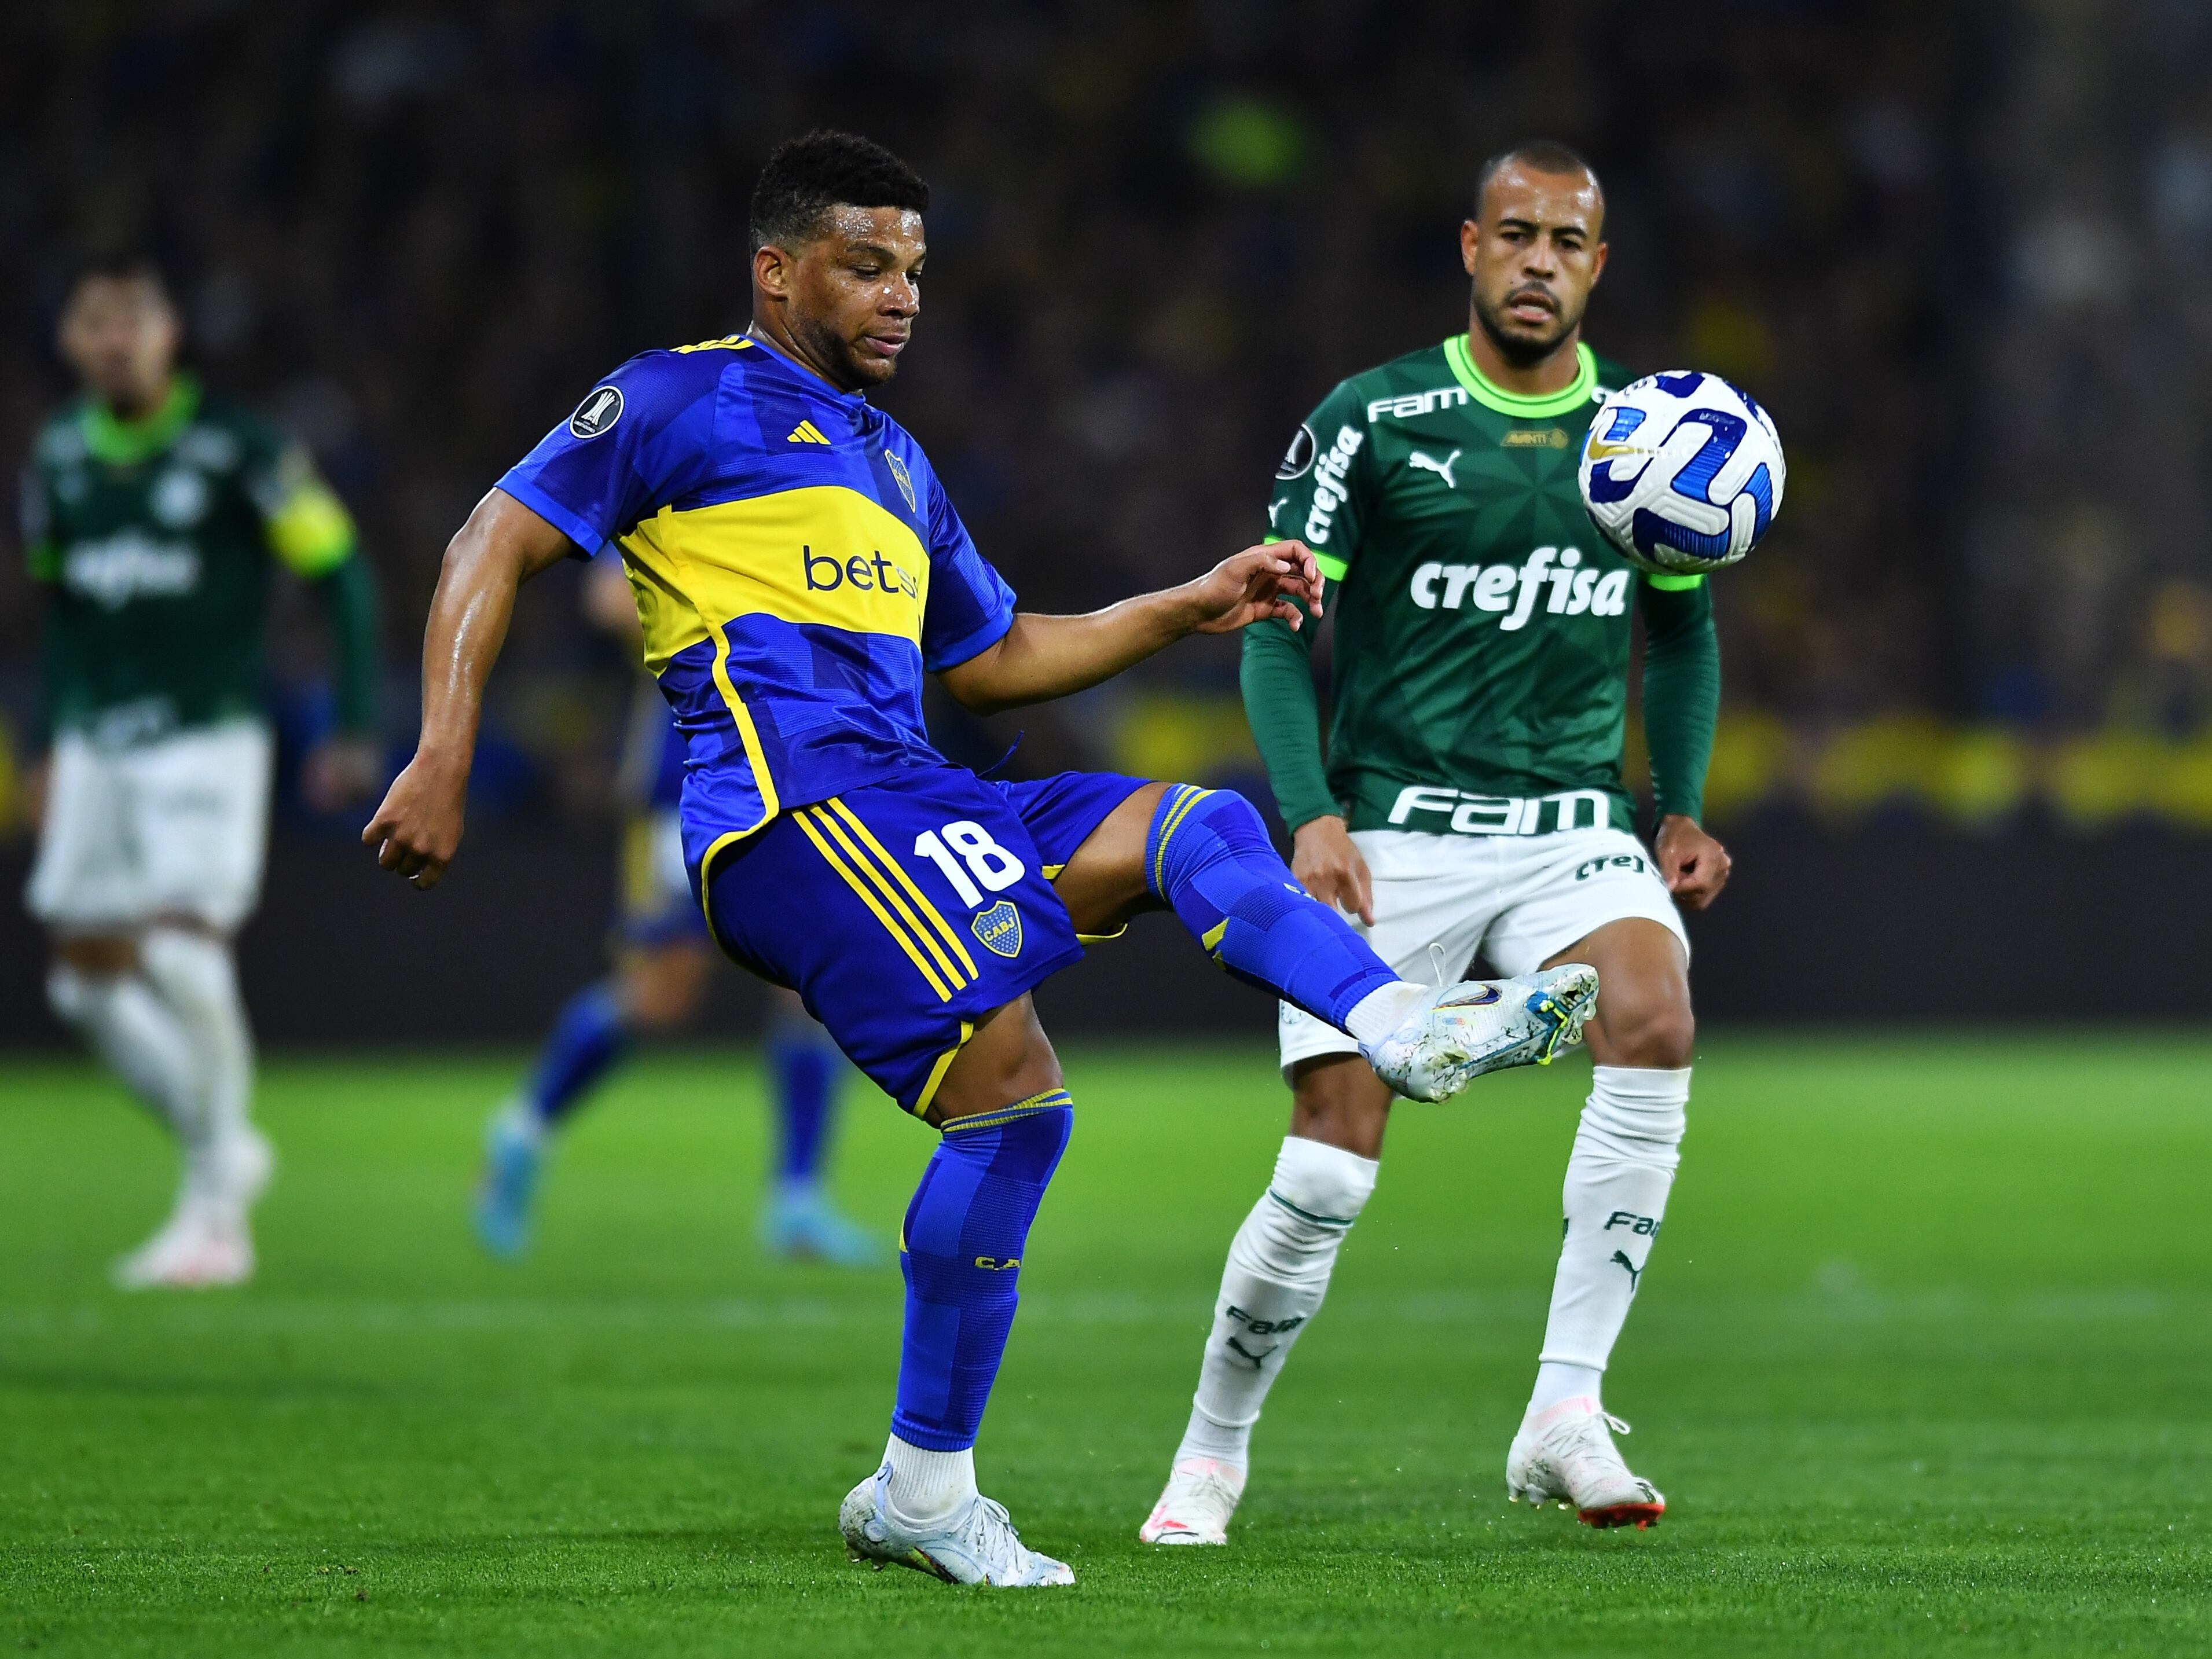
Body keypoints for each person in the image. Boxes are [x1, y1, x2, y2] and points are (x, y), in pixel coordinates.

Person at [363, 130, 1598, 1588]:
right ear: (777, 270)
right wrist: (441, 749)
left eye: (915, 273)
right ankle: (927, 1492)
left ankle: (1393, 1024)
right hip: (788, 816)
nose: (900, 296)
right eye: (865, 266)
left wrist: (1187, 599)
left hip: (917, 791)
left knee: (1190, 834)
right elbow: (487, 542)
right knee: (1011, 1092)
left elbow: (999, 657)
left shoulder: (897, 461)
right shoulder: (672, 396)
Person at [1140, 140, 1730, 1544]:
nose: (1537, 260)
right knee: (1330, 1162)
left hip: (1567, 827)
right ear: (1468, 248)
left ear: (1597, 265)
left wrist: (1679, 804)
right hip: (1391, 828)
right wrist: (1311, 813)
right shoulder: (1374, 419)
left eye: (1565, 242)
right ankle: (1211, 1453)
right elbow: (1278, 640)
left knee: (1649, 1018)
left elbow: (1682, 632)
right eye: (1513, 234)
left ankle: (1562, 1411)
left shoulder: (1642, 440)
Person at [21, 256, 383, 1288]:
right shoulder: (55, 457)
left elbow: (343, 574)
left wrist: (355, 724)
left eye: (132, 319)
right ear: (69, 341)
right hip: (98, 742)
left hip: (207, 734)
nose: (113, 339)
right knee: (84, 984)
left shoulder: (240, 449)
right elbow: (66, 618)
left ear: (170, 333)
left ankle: (216, 1214)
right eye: (92, 322)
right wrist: (50, 743)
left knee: (182, 954)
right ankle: (228, 1143)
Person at [473, 552, 879, 1265]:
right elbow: (607, 599)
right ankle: (521, 1132)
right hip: (685, 786)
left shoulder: (797, 508)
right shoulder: (674, 500)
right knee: (659, 996)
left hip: (791, 782)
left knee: (806, 989)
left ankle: (797, 1199)